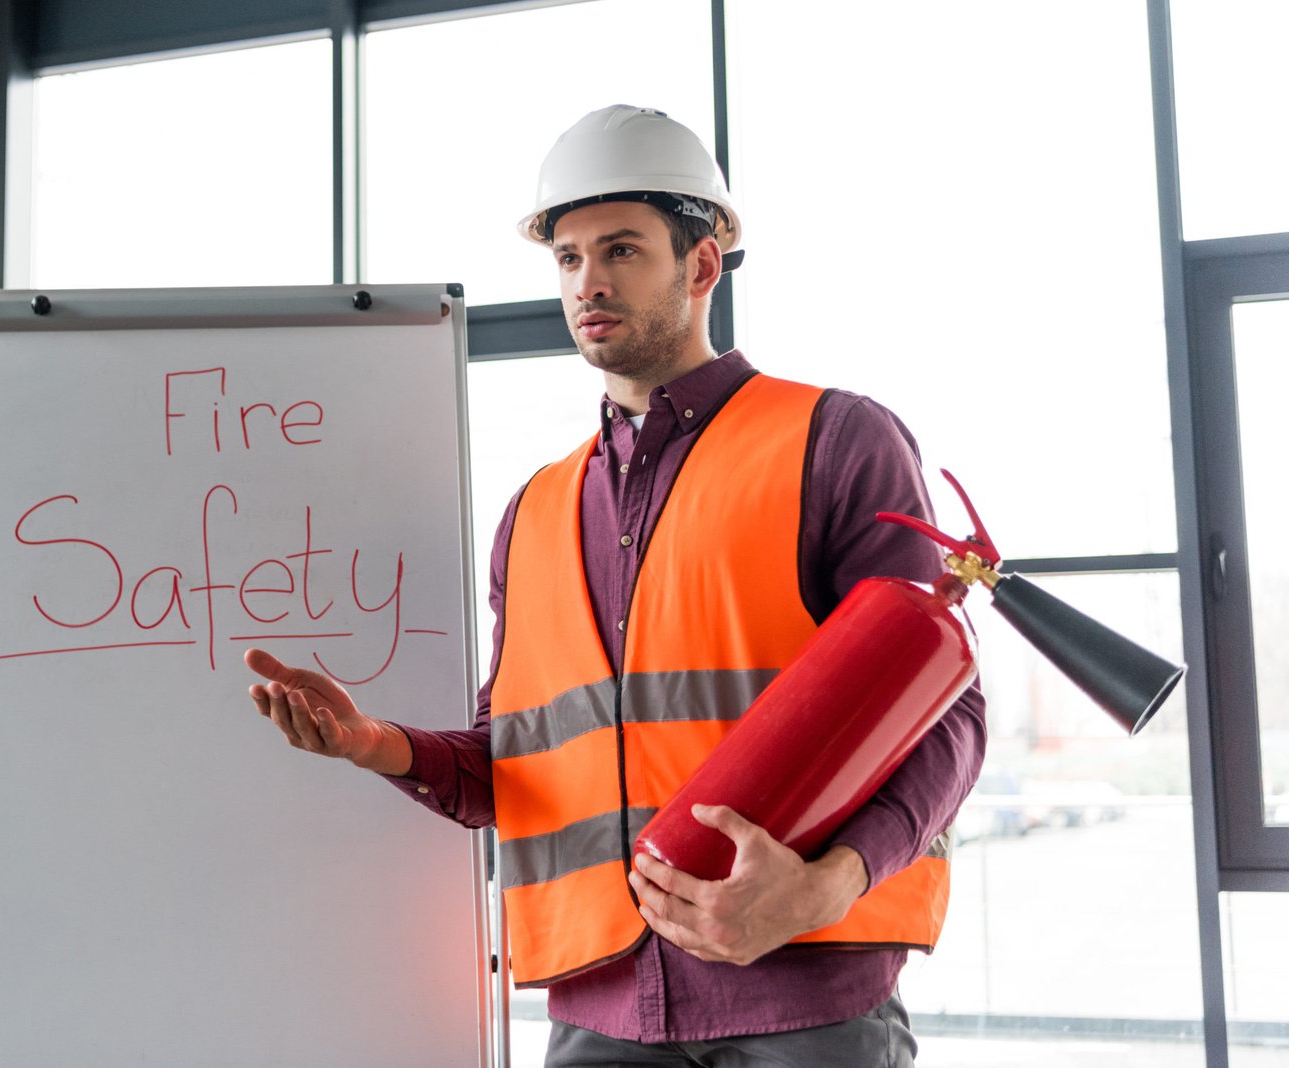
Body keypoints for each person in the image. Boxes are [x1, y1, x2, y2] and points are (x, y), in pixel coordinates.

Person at [245, 105, 986, 1067]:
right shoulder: (537, 512)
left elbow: (946, 715)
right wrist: (374, 745)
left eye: (623, 250)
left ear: (702, 265)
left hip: (802, 992)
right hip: (601, 1008)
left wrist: (829, 885)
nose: (588, 281)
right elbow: (520, 768)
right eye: (567, 258)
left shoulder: (834, 441)